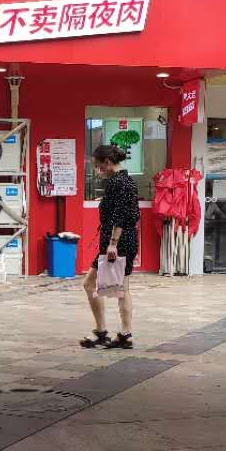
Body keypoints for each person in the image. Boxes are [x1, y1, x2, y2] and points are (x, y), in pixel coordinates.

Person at [81, 143, 140, 350]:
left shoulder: (117, 183)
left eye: (99, 166)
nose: (98, 171)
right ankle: (125, 334)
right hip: (127, 240)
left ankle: (102, 332)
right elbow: (125, 211)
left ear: (107, 162)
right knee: (123, 288)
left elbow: (120, 216)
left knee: (90, 284)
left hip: (117, 243)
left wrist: (112, 244)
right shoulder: (126, 181)